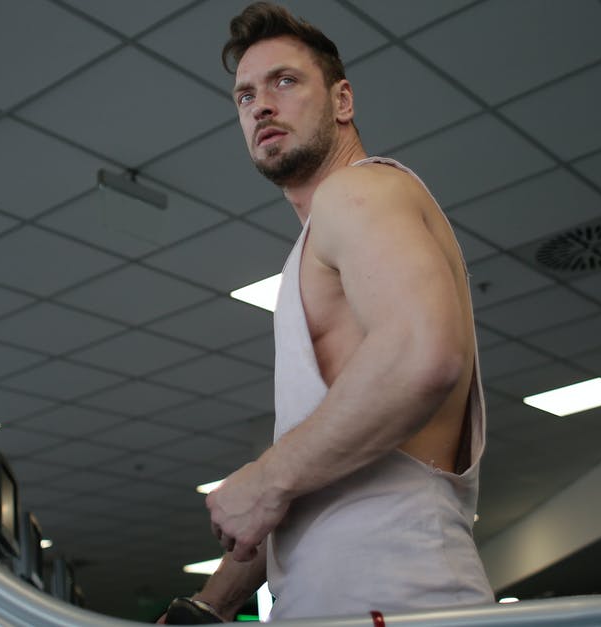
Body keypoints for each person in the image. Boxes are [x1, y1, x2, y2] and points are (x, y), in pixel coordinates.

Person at [175, 2, 494, 621]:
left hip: (395, 598)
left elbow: (423, 355)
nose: (261, 106)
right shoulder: (321, 239)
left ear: (342, 101)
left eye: (284, 81)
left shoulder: (358, 191)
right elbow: (316, 479)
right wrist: (209, 605)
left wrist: (268, 477)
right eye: (245, 96)